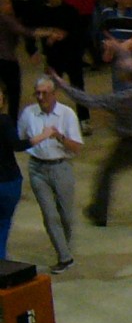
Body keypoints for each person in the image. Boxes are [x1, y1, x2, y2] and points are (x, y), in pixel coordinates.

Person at [53, 56, 132, 236]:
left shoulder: (121, 98)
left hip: (129, 144)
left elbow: (88, 100)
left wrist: (62, 84)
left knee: (106, 173)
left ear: (125, 76)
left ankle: (99, 213)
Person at [18, 75, 81, 273]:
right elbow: (20, 139)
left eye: (44, 93)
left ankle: (64, 248)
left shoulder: (67, 114)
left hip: (61, 167)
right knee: (49, 214)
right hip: (37, 168)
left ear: (54, 94)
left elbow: (76, 147)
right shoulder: (28, 113)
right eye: (37, 93)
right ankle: (64, 257)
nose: (40, 97)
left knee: (66, 216)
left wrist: (58, 136)